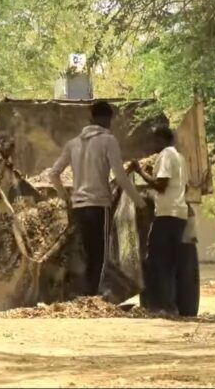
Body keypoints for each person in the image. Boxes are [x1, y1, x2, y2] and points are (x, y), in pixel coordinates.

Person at [49, 101, 147, 296]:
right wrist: (140, 202)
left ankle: (80, 295)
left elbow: (53, 173)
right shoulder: (108, 141)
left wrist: (65, 198)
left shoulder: (73, 143)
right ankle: (92, 296)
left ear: (90, 118)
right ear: (107, 119)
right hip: (98, 205)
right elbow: (119, 176)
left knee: (82, 253)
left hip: (78, 207)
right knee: (98, 254)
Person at [131, 126, 189, 313]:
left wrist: (139, 171)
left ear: (161, 140)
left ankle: (162, 306)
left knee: (158, 262)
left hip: (166, 215)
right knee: (171, 263)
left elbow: (161, 185)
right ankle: (171, 305)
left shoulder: (165, 156)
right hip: (179, 214)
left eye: (155, 141)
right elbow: (182, 188)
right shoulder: (180, 158)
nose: (153, 145)